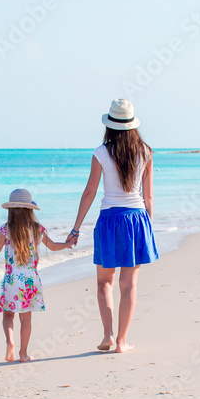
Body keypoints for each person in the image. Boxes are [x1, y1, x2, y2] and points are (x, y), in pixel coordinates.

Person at [67, 99, 157, 353]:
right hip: (136, 219)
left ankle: (107, 335)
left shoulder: (101, 152)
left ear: (110, 125)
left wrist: (76, 229)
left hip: (109, 220)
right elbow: (148, 197)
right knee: (129, 284)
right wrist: (148, 227)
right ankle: (122, 341)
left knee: (104, 282)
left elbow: (89, 193)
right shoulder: (146, 152)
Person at [0, 189, 73, 362]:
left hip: (11, 279)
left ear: (11, 210)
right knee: (26, 318)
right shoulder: (37, 229)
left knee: (8, 315)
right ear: (29, 210)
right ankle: (23, 353)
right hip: (30, 280)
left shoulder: (5, 229)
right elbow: (54, 246)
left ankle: (10, 342)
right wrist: (68, 243)